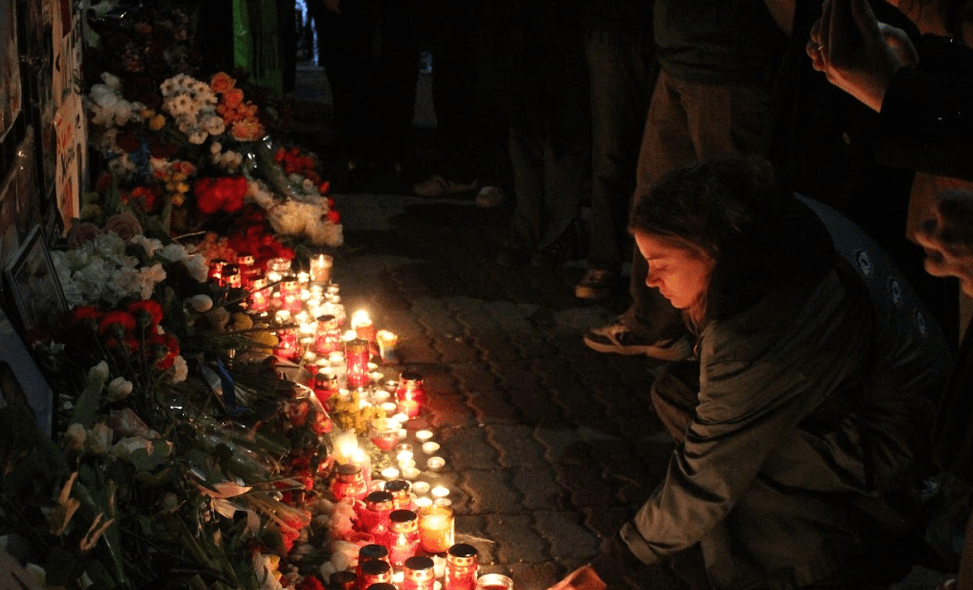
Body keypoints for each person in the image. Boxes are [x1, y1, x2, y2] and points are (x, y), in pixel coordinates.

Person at [548, 156, 950, 590]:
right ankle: (806, 531)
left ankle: (820, 563)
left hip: (903, 447)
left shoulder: (760, 330)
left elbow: (708, 471)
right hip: (876, 401)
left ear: (712, 252)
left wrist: (606, 568)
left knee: (729, 461)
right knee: (681, 397)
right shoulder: (776, 225)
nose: (648, 281)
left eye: (661, 265)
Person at [582, 0, 786, 359]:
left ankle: (728, 343)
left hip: (730, 65)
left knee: (728, 217)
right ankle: (654, 324)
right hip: (676, 59)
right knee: (654, 201)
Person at [573, 0, 657, 301]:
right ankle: (604, 260)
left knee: (660, 159)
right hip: (612, 24)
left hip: (666, 31)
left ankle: (655, 264)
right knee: (610, 153)